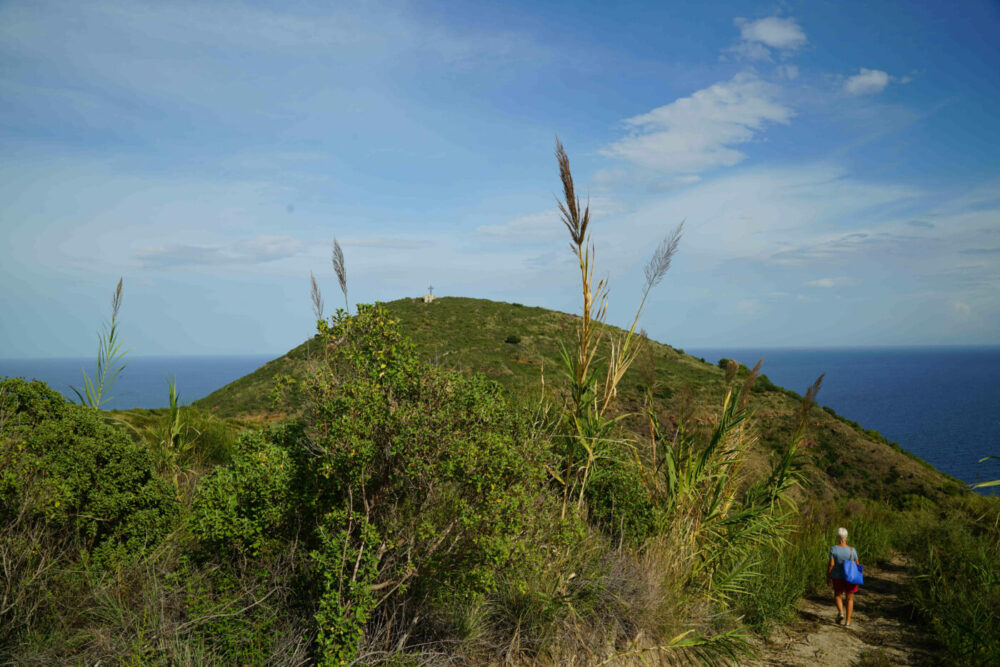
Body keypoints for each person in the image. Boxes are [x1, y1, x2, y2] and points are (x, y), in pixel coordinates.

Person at [826, 527, 860, 627]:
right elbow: (857, 564)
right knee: (850, 598)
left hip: (837, 576)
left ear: (837, 537)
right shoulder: (852, 550)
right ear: (847, 537)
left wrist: (828, 576)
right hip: (850, 577)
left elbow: (831, 564)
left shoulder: (834, 549)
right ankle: (848, 622)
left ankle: (840, 612)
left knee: (838, 595)